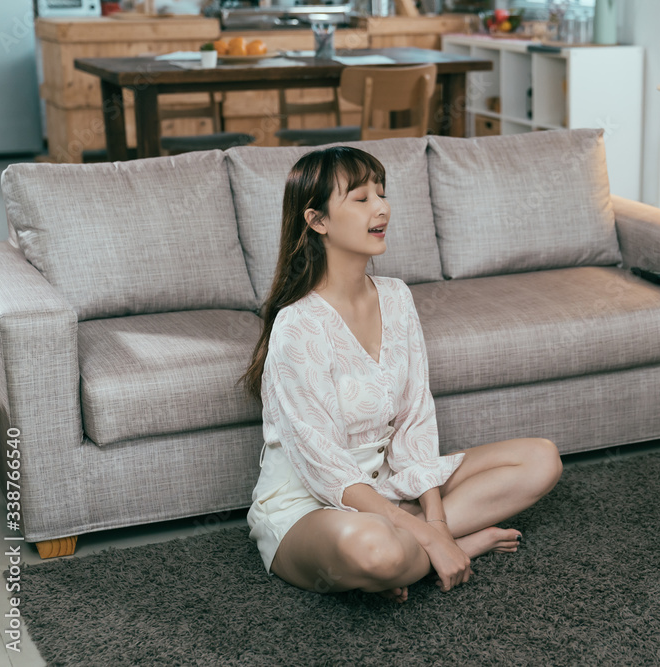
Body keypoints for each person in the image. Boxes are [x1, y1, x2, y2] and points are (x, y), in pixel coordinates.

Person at [239, 146, 563, 603]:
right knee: (375, 551)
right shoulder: (298, 326)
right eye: (361, 198)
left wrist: (433, 524)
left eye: (382, 193)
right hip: (311, 505)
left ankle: (414, 553)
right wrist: (432, 537)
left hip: (389, 487)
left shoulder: (396, 298)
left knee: (541, 459)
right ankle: (439, 551)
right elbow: (323, 464)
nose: (381, 207)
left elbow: (414, 422)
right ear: (317, 221)